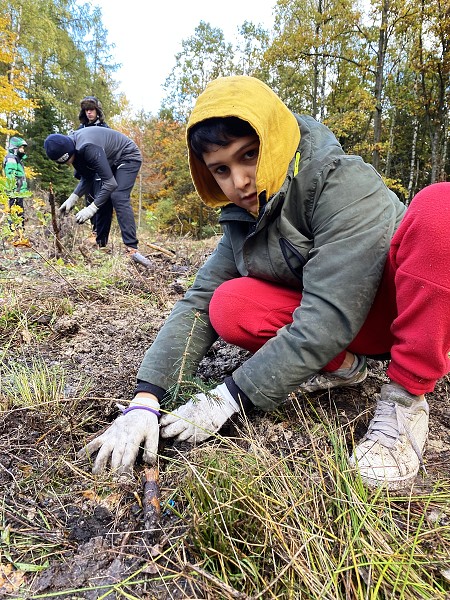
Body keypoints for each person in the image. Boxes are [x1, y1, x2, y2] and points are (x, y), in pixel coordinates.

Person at [79, 75, 450, 491]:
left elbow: (329, 314)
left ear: (274, 140)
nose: (239, 182)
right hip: (342, 328)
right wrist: (146, 400)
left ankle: (406, 398)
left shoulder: (341, 182)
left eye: (249, 156)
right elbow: (198, 303)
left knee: (442, 207)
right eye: (221, 169)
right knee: (229, 304)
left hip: (405, 312)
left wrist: (230, 396)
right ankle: (347, 370)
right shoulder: (244, 218)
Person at [43, 127, 150, 263]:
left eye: (70, 159)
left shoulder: (88, 147)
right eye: (66, 162)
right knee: (102, 196)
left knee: (118, 196)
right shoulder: (73, 148)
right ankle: (101, 244)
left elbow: (110, 184)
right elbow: (87, 177)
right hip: (110, 160)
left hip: (127, 155)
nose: (70, 162)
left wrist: (91, 208)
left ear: (71, 150)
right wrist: (73, 197)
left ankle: (131, 248)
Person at [77, 95, 110, 238]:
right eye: (86, 110)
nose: (89, 113)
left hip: (101, 171)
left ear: (97, 111)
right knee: (88, 199)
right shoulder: (80, 129)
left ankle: (100, 236)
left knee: (101, 201)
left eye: (91, 109)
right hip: (86, 172)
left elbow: (110, 148)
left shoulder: (105, 128)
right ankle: (94, 230)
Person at [3, 136, 29, 228]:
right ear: (15, 148)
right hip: (14, 192)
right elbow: (10, 174)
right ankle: (13, 234)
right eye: (21, 147)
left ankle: (20, 234)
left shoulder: (17, 159)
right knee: (14, 213)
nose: (23, 150)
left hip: (18, 192)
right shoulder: (11, 159)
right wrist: (14, 189)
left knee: (19, 213)